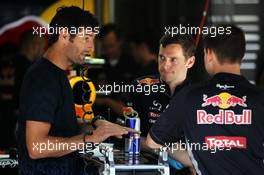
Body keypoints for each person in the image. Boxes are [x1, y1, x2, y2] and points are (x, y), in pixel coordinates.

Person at [17, 6, 133, 175]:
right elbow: (36, 147)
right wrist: (89, 139)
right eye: (86, 38)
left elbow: (60, 128)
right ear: (64, 35)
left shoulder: (57, 74)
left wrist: (95, 125)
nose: (91, 47)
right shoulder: (44, 78)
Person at [146, 25, 264, 175]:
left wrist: (193, 155)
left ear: (209, 54)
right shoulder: (260, 98)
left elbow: (153, 142)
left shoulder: (189, 96)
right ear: (242, 54)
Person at [128, 34, 196, 174]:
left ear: (189, 62)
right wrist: (174, 152)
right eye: (162, 58)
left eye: (173, 60)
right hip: (146, 167)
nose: (165, 66)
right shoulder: (141, 87)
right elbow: (128, 137)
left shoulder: (199, 96)